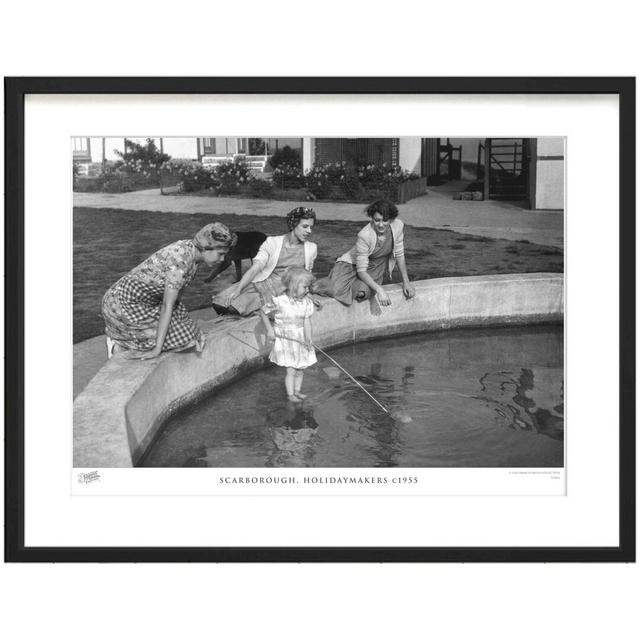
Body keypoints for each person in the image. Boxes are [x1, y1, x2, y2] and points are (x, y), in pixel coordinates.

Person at [102, 222, 236, 360]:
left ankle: (132, 338)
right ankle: (118, 344)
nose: (222, 259)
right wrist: (157, 349)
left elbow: (176, 302)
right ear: (206, 247)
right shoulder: (180, 263)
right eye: (220, 254)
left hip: (147, 302)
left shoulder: (191, 253)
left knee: (190, 335)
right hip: (123, 303)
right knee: (177, 339)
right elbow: (167, 305)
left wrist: (189, 327)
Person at [211, 207, 317, 316]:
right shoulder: (272, 242)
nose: (309, 231)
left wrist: (307, 294)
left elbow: (307, 274)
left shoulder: (311, 248)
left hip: (283, 289)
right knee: (219, 303)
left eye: (311, 227)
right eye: (305, 227)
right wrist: (239, 288)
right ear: (293, 225)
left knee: (233, 308)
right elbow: (255, 268)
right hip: (263, 283)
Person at [313, 199, 415, 306]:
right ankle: (320, 285)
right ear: (371, 218)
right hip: (350, 266)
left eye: (385, 220)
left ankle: (350, 286)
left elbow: (399, 255)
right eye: (377, 220)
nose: (380, 224)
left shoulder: (398, 226)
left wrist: (406, 282)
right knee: (335, 291)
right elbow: (361, 270)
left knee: (362, 292)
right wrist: (380, 290)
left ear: (391, 219)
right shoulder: (365, 235)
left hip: (374, 268)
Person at [259, 267, 317, 402]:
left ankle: (297, 391)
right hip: (286, 340)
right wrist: (270, 330)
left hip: (300, 339)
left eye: (308, 287)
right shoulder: (280, 301)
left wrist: (308, 338)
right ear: (293, 286)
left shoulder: (306, 302)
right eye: (305, 287)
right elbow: (263, 312)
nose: (308, 290)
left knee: (301, 368)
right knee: (291, 369)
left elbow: (306, 321)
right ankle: (290, 394)